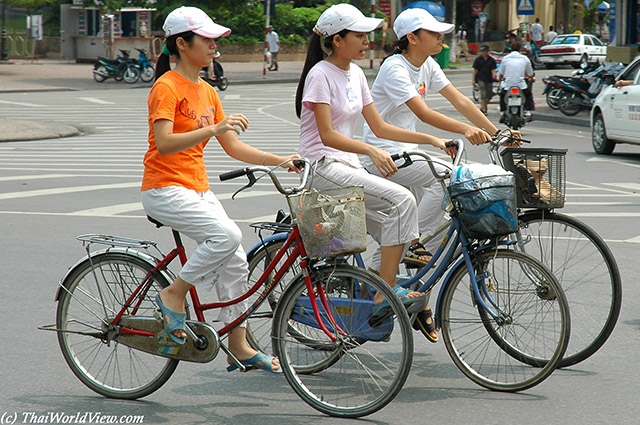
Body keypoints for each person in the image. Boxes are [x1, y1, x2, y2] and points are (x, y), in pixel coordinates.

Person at [142, 6, 299, 373]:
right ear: (182, 44)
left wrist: (279, 160)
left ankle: (239, 344)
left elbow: (233, 147)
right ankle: (174, 293)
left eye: (215, 40)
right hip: (164, 187)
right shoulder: (166, 87)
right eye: (207, 39)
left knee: (236, 258)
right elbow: (164, 143)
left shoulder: (208, 91)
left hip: (196, 188)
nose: (215, 46)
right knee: (225, 235)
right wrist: (213, 129)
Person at [296, 3, 455, 318]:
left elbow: (380, 126)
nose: (366, 40)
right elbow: (326, 135)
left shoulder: (355, 73)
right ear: (337, 40)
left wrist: (431, 140)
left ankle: (376, 288)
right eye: (359, 35)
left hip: (347, 167)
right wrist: (370, 150)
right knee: (403, 199)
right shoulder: (320, 74)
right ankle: (386, 292)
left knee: (398, 226)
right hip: (323, 167)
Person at [363, 8, 502, 342]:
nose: (442, 39)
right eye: (435, 33)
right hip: (384, 156)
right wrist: (466, 131)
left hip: (408, 154)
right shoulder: (395, 67)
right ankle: (415, 243)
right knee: (448, 177)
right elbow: (423, 113)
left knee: (451, 190)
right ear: (412, 37)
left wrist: (497, 132)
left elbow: (459, 100)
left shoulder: (428, 64)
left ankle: (390, 269)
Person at [498, 40, 535, 122]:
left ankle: (502, 113)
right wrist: (531, 78)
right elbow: (530, 73)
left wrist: (500, 78)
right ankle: (528, 113)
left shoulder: (505, 58)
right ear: (520, 49)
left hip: (508, 85)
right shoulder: (525, 59)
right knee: (528, 95)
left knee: (502, 96)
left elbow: (501, 73)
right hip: (520, 85)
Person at [472, 44, 498, 115]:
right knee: (483, 92)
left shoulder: (491, 60)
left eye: (485, 51)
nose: (484, 53)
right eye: (483, 51)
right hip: (480, 78)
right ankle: (483, 109)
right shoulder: (478, 59)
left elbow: (493, 69)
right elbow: (475, 70)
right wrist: (473, 80)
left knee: (489, 94)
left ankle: (483, 106)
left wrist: (494, 75)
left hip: (489, 79)